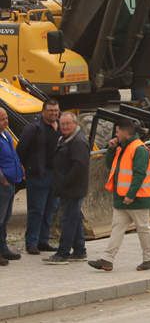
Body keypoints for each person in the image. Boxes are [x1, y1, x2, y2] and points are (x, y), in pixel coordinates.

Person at [88, 120, 150, 272]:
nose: (116, 134)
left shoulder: (139, 149)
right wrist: (111, 149)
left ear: (126, 132)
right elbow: (110, 165)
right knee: (117, 228)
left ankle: (149, 259)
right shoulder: (122, 148)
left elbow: (139, 174)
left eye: (118, 132)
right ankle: (107, 259)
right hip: (122, 197)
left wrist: (131, 194)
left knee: (143, 228)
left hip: (137, 198)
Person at [45, 112, 90, 264]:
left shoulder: (78, 142)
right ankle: (79, 250)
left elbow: (79, 166)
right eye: (62, 124)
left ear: (75, 124)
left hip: (73, 188)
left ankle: (62, 253)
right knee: (74, 218)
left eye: (67, 124)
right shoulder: (65, 139)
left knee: (68, 220)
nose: (64, 127)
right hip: (67, 187)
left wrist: (65, 182)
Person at [17, 99, 60, 255]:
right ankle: (32, 243)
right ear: (43, 111)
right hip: (38, 175)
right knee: (36, 211)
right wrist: (25, 168)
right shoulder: (33, 128)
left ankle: (43, 241)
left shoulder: (60, 127)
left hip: (55, 176)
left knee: (50, 210)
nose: (54, 113)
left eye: (56, 111)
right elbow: (21, 149)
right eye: (50, 111)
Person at [0, 109, 23, 266]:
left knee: (5, 219)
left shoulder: (6, 135)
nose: (6, 121)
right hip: (3, 184)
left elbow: (13, 156)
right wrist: (2, 179)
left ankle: (3, 248)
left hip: (11, 183)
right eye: (2, 119)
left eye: (6, 118)